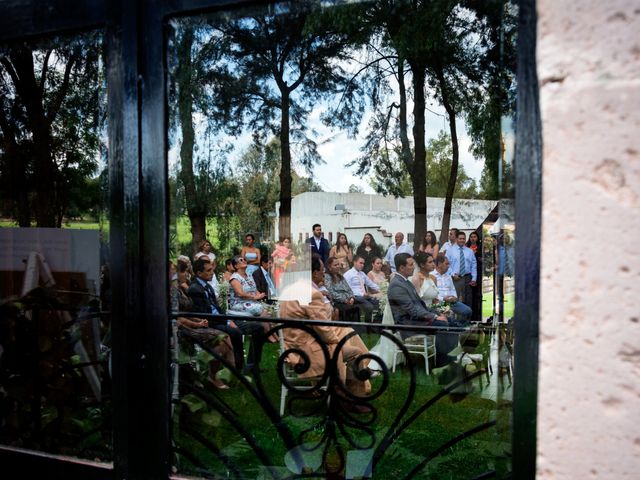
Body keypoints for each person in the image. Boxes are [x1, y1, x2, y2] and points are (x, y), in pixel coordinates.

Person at [278, 254, 372, 400]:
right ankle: (349, 398)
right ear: (315, 273)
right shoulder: (312, 293)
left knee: (344, 336)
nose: (324, 273)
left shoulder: (289, 289)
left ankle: (343, 391)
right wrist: (337, 340)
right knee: (355, 352)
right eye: (322, 270)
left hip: (290, 346)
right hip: (307, 351)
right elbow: (324, 330)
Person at [387, 253, 459, 368]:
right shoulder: (397, 285)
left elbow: (420, 306)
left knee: (452, 322)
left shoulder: (405, 282)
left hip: (416, 319)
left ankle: (451, 358)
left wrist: (437, 313)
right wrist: (434, 317)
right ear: (401, 268)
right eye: (410, 265)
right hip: (408, 324)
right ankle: (443, 363)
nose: (414, 267)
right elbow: (412, 310)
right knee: (443, 324)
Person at [170, 261, 233, 390]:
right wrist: (197, 323)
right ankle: (212, 374)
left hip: (190, 324)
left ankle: (221, 373)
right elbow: (178, 318)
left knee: (224, 338)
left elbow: (186, 313)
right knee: (223, 338)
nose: (187, 274)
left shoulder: (180, 289)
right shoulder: (172, 292)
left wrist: (199, 319)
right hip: (180, 330)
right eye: (183, 272)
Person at [187, 257, 250, 377]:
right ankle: (238, 368)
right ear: (199, 273)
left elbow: (216, 307)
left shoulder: (207, 285)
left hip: (217, 319)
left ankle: (238, 368)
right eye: (208, 270)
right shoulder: (195, 289)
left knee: (237, 330)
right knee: (235, 332)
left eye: (212, 270)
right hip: (208, 322)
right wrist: (226, 321)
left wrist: (227, 319)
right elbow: (205, 313)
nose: (212, 272)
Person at [431, 254, 472, 321]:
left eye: (449, 264)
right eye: (446, 264)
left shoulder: (448, 276)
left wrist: (454, 297)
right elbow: (432, 295)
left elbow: (452, 289)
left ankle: (461, 328)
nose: (448, 266)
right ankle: (455, 327)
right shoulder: (432, 276)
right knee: (450, 315)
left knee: (468, 311)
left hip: (451, 302)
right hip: (439, 303)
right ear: (439, 264)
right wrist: (443, 299)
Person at [343, 255, 380, 323]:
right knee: (369, 307)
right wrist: (362, 294)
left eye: (363, 263)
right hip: (355, 296)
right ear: (354, 262)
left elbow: (371, 284)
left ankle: (376, 325)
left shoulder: (362, 274)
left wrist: (382, 289)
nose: (362, 265)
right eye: (361, 263)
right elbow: (347, 289)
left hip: (364, 296)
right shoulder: (348, 274)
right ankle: (368, 326)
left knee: (379, 303)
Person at [445, 231, 477, 306]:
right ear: (456, 239)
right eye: (460, 238)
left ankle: (467, 317)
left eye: (463, 239)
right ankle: (455, 317)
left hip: (468, 277)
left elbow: (474, 265)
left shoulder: (470, 251)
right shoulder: (450, 251)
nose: (462, 240)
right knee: (455, 298)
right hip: (456, 278)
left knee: (468, 299)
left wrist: (474, 278)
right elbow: (446, 264)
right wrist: (452, 275)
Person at [324, 256, 360, 321]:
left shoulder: (340, 276)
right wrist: (345, 300)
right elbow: (331, 292)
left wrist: (351, 298)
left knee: (358, 306)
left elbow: (349, 289)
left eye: (338, 264)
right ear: (329, 267)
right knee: (345, 308)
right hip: (337, 301)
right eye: (335, 265)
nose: (338, 266)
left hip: (348, 300)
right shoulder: (327, 277)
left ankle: (356, 328)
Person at [466, 231, 483, 322]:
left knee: (477, 295)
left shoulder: (481, 248)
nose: (473, 238)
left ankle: (478, 316)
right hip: (469, 274)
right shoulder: (466, 248)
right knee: (470, 295)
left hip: (479, 273)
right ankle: (470, 315)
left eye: (474, 237)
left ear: (477, 238)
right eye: (471, 237)